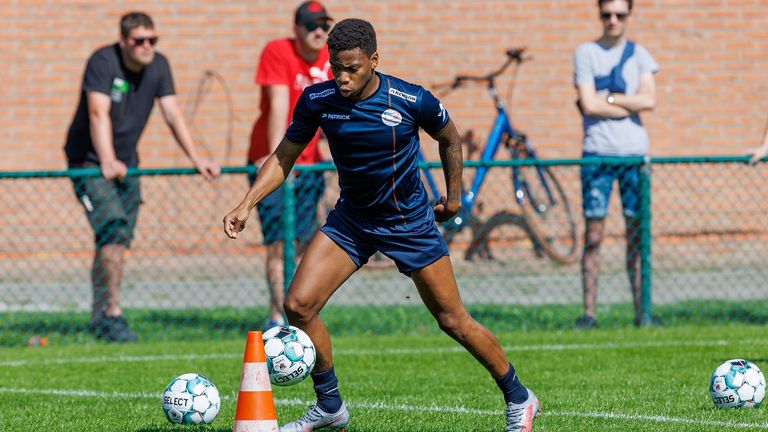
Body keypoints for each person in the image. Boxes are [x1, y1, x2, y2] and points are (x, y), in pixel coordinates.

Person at [224, 18, 540, 432]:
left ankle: (519, 395)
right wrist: (246, 204)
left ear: (374, 60)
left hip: (409, 223)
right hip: (352, 220)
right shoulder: (317, 100)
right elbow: (284, 156)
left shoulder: (410, 99)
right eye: (336, 67)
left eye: (352, 68)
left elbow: (450, 138)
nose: (342, 77)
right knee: (298, 305)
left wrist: (454, 197)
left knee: (453, 321)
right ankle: (330, 405)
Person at [65, 11, 220, 342]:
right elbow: (97, 112)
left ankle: (99, 314)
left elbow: (173, 114)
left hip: (128, 163)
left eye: (153, 40)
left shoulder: (159, 66)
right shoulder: (103, 61)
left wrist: (196, 158)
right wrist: (107, 159)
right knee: (113, 229)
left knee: (115, 239)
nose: (147, 46)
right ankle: (111, 313)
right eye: (139, 41)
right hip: (89, 162)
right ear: (124, 42)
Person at [247, 1, 334, 331]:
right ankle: (276, 316)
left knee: (303, 243)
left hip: (310, 167)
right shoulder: (278, 51)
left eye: (324, 26)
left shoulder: (331, 59)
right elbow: (278, 106)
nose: (319, 32)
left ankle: (297, 312)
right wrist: (277, 161)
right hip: (276, 161)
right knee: (278, 244)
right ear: (297, 28)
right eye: (312, 26)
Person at [573, 0, 658, 328]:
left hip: (634, 156)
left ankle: (642, 312)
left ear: (628, 16)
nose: (613, 20)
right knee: (594, 236)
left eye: (619, 15)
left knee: (636, 236)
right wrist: (628, 104)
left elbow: (649, 100)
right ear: (599, 14)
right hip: (597, 154)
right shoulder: (586, 53)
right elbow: (588, 105)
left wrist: (607, 99)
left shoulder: (640, 55)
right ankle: (589, 314)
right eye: (607, 14)